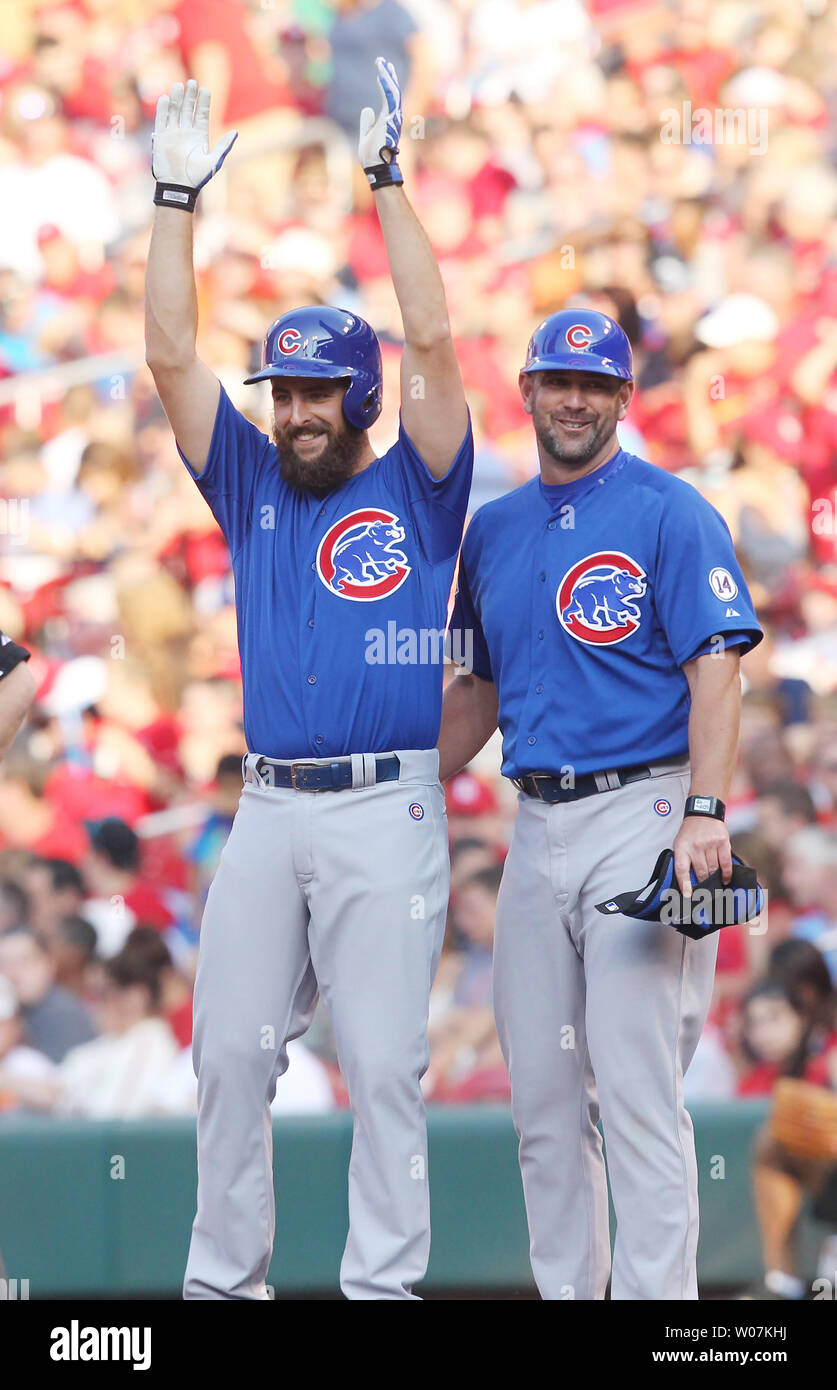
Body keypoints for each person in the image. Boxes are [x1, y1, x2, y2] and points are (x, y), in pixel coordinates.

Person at [145, 72, 472, 1301]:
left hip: (387, 803)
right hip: (271, 803)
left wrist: (387, 184)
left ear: (362, 394)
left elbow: (435, 338)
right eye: (282, 389)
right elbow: (170, 352)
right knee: (227, 1051)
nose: (295, 411)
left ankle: (381, 1289)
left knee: (383, 1066)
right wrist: (175, 200)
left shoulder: (421, 488)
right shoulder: (249, 483)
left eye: (317, 389)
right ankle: (223, 1286)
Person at [440, 307, 763, 1300]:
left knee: (634, 1089)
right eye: (558, 379)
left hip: (648, 806)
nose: (574, 396)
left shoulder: (671, 510)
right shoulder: (491, 529)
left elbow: (718, 671)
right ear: (528, 390)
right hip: (535, 822)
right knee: (540, 1097)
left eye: (595, 382)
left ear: (624, 398)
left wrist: (705, 812)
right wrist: (400, 788)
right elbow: (477, 693)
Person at [0, 926, 96, 1063]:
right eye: (3, 964)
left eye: (23, 961)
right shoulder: (13, 1010)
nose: (12, 973)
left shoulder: (62, 1012)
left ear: (49, 964)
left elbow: (63, 1080)